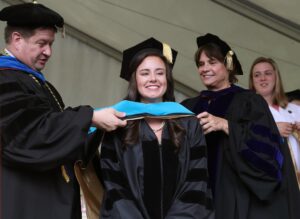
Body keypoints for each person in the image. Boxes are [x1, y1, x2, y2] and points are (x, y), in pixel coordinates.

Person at [0, 2, 126, 219]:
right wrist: (90, 118)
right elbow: (27, 136)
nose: (48, 52)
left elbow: (58, 136)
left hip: (47, 196)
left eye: (51, 44)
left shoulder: (38, 83)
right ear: (17, 39)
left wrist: (94, 129)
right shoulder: (5, 79)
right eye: (42, 43)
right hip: (22, 198)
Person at [181, 33, 300, 219]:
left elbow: (267, 152)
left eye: (212, 62)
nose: (205, 68)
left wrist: (227, 125)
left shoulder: (249, 101)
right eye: (201, 64)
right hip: (196, 199)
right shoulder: (189, 106)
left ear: (228, 65)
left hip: (235, 198)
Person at [99, 37, 213, 219]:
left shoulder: (188, 124)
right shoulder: (118, 123)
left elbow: (196, 182)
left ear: (167, 78)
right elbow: (114, 185)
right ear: (135, 79)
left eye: (159, 73)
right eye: (144, 73)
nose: (153, 79)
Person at [249, 56, 300, 186]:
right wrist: (272, 129)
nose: (263, 78)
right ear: (252, 81)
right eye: (257, 75)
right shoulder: (247, 113)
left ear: (276, 77)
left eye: (268, 73)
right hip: (273, 182)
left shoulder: (295, 109)